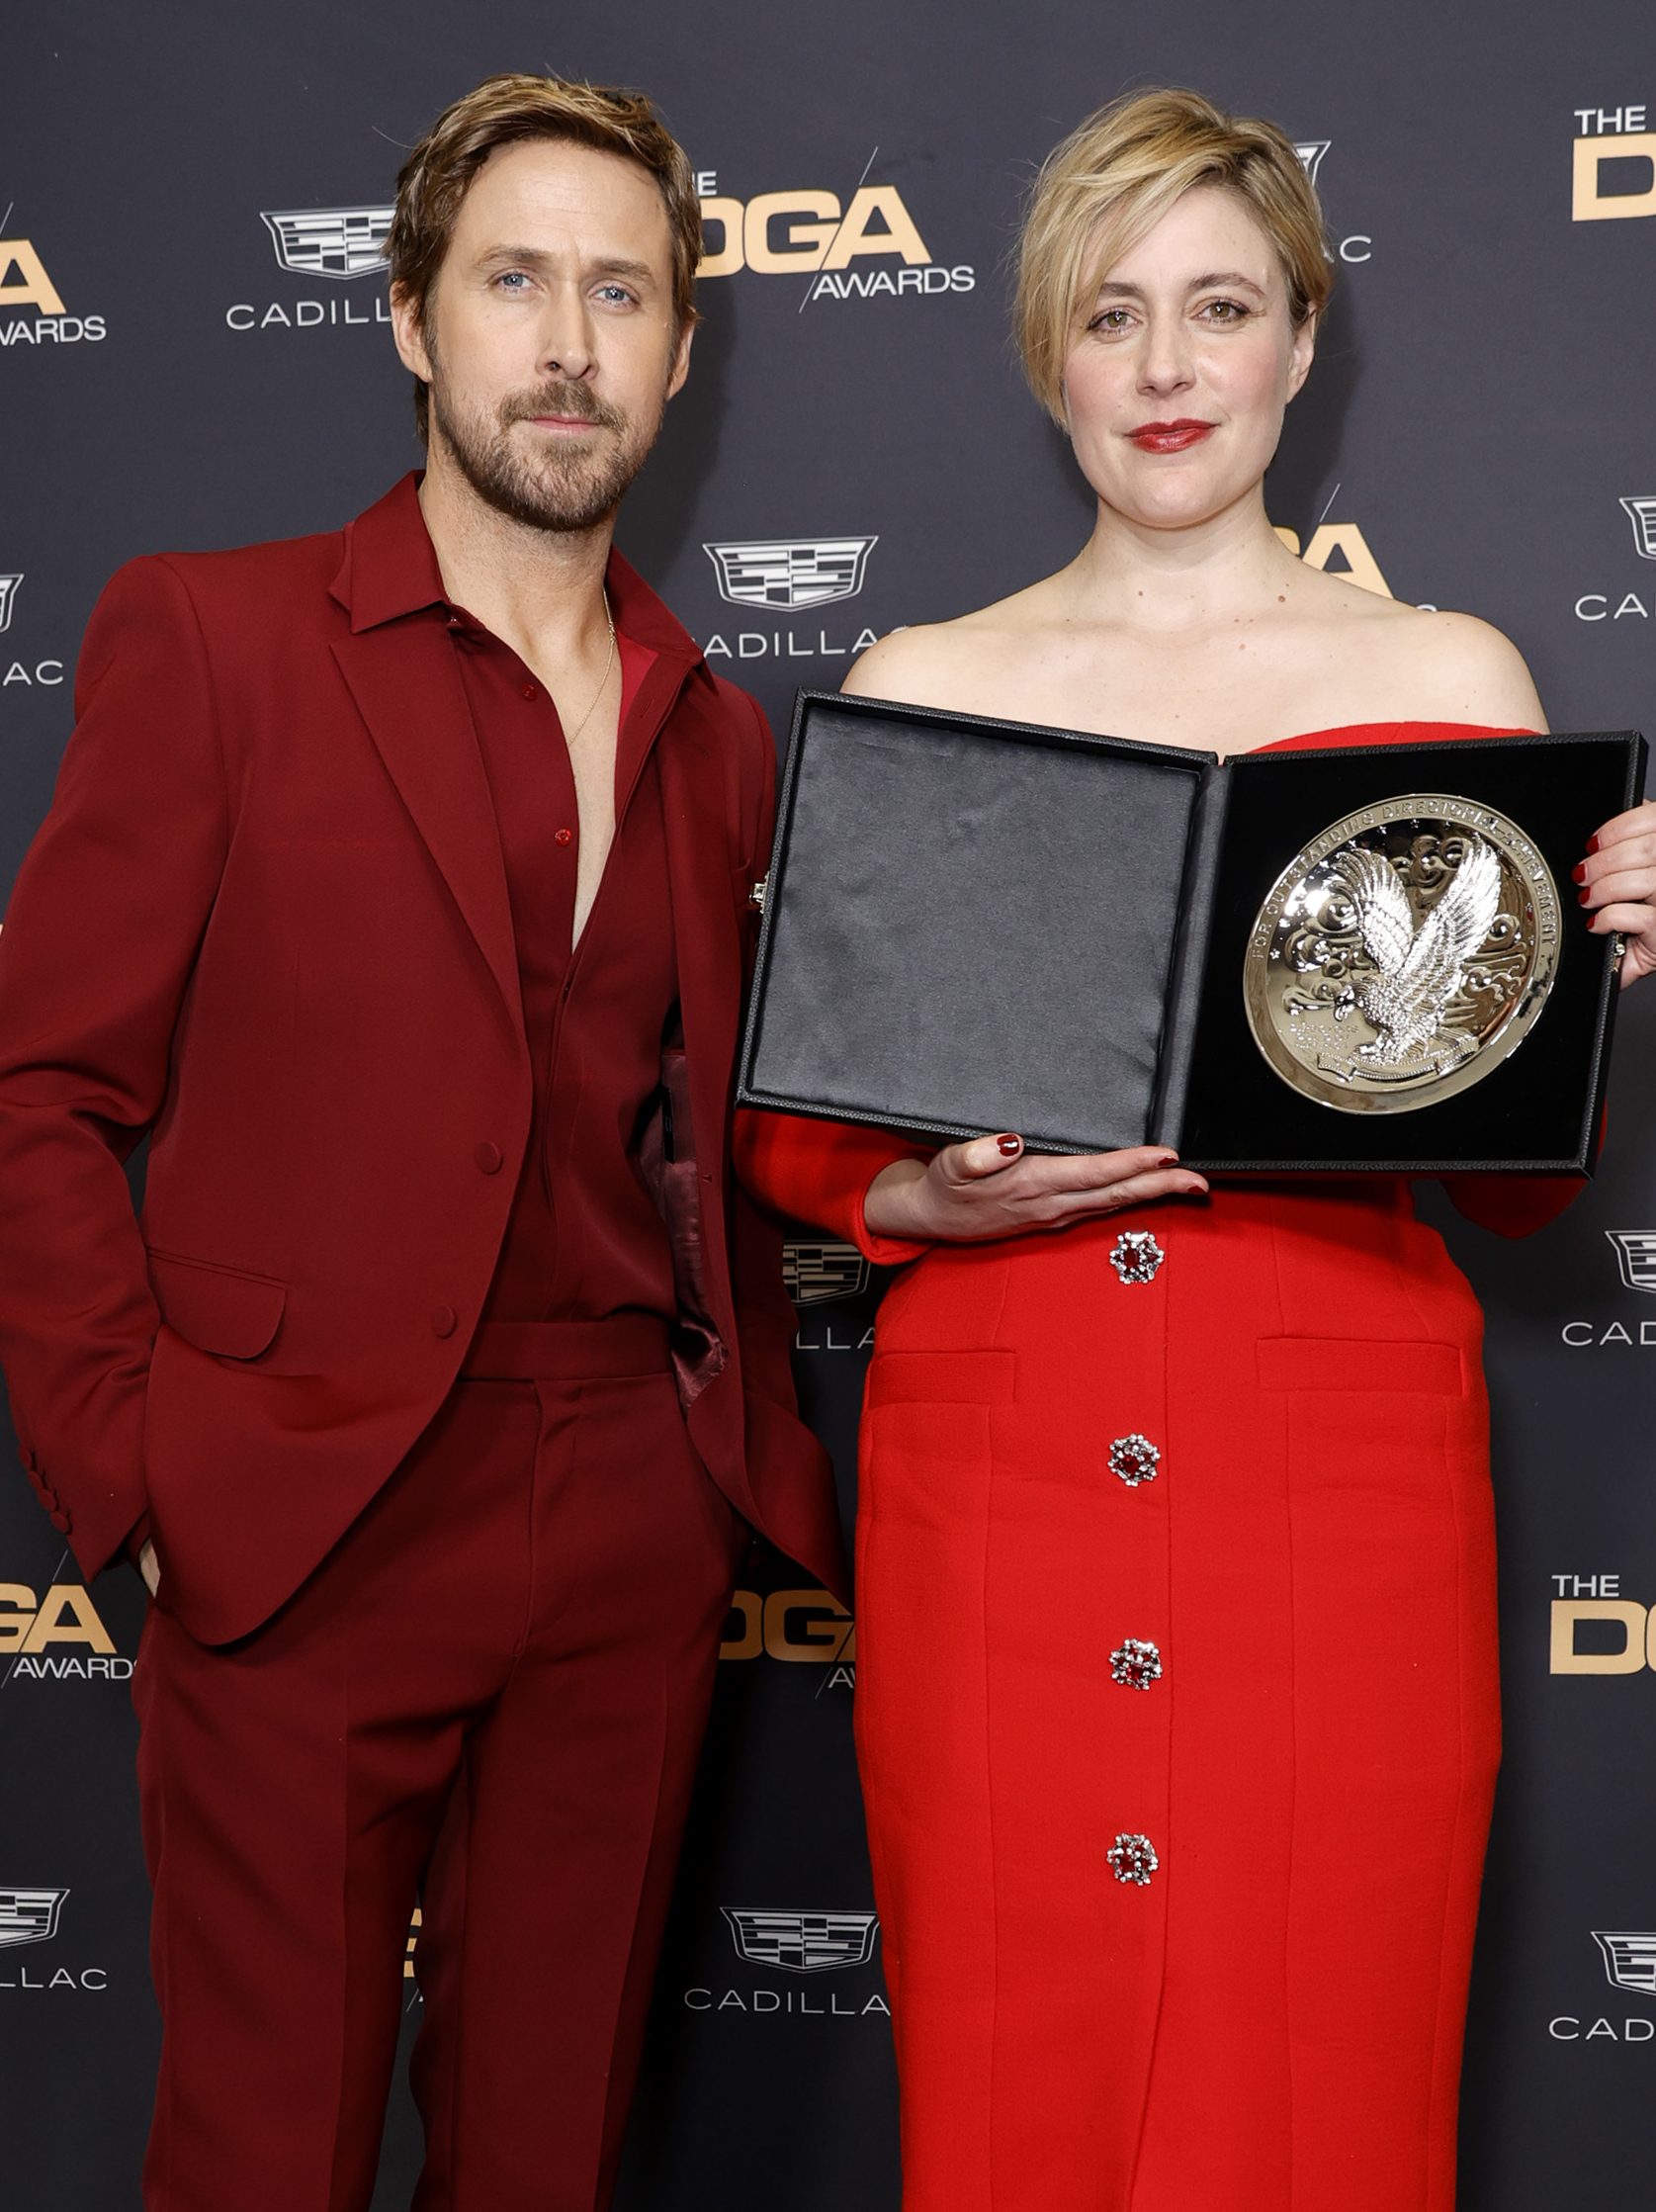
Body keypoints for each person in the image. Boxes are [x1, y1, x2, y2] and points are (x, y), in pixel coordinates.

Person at [737, 88, 1656, 2212]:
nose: (1164, 370)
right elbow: (798, 1138)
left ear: (1299, 345)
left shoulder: (1446, 679)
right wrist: (915, 1199)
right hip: (1002, 1487)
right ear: (1047, 351)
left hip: (1331, 1508)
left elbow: (1512, 1187)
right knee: (1012, 2118)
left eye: (1218, 307)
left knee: (1315, 2114)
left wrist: (1591, 964)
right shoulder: (922, 679)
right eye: (1111, 314)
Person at [0, 71, 840, 2212]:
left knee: (542, 2155)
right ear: (407, 320)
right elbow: (36, 1090)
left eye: (623, 293)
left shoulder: (716, 728)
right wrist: (134, 1460)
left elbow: (721, 1129)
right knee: (262, 2157)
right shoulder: (210, 638)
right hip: (297, 1513)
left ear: (679, 348)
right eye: (514, 282)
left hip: (625, 1519)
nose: (568, 344)